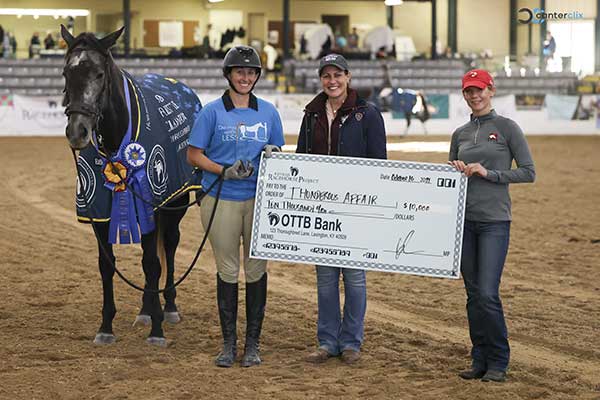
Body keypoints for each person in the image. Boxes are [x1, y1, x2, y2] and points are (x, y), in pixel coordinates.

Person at [187, 45, 285, 368]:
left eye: (251, 72)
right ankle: (229, 343)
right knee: (227, 270)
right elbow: (194, 155)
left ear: (257, 76)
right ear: (228, 74)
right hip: (221, 198)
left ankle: (252, 344)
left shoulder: (269, 112)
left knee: (256, 270)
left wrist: (273, 151)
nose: (245, 77)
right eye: (239, 72)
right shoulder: (212, 112)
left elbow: (278, 151)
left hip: (258, 199)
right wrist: (222, 170)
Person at [297, 54, 387, 365]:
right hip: (321, 209)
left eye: (337, 75)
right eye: (326, 76)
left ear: (348, 77)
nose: (332, 81)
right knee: (325, 279)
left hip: (355, 210)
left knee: (354, 279)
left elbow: (379, 165)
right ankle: (326, 341)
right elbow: (300, 159)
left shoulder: (368, 114)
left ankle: (351, 342)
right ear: (321, 79)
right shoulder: (311, 115)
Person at [448, 69, 535, 382]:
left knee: (487, 292)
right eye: (469, 92)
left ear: (491, 90)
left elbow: (528, 172)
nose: (474, 96)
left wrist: (491, 174)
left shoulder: (508, 128)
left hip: (494, 222)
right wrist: (455, 168)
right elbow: (450, 177)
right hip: (464, 222)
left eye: (479, 90)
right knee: (473, 294)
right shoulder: (459, 134)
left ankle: (498, 359)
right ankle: (479, 358)